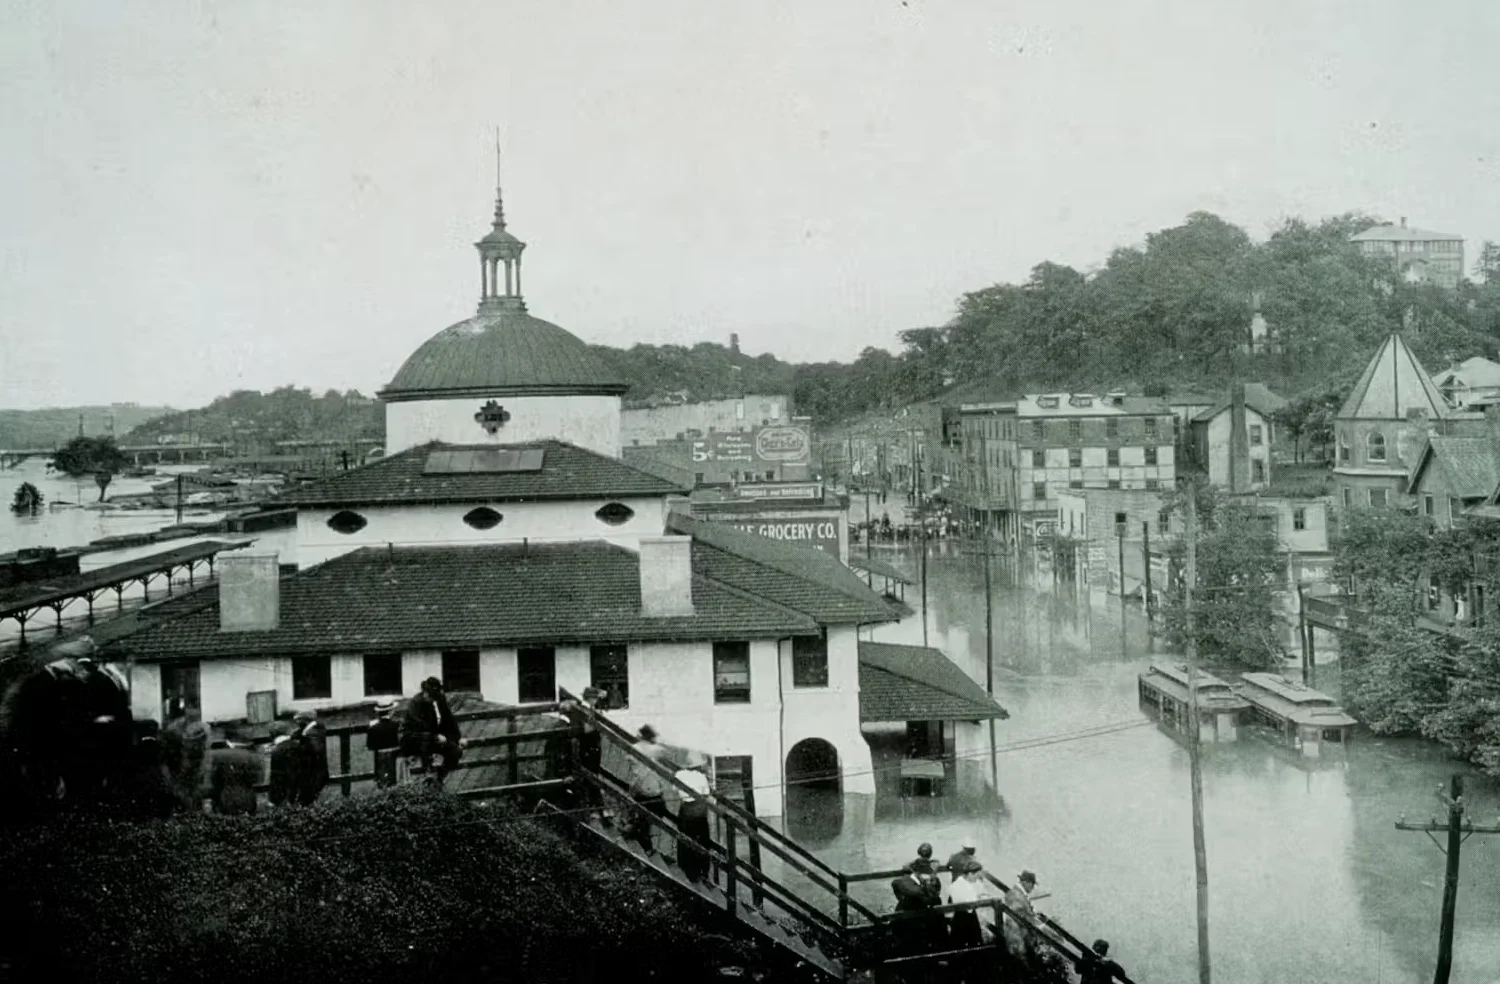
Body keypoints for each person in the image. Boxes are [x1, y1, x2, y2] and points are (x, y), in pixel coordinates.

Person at [401, 677, 466, 784]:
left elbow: (449, 719)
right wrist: (435, 736)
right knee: (425, 740)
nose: (432, 700)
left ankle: (440, 778)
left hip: (435, 737)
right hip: (416, 739)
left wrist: (458, 738)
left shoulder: (440, 699)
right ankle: (427, 772)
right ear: (425, 693)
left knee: (456, 751)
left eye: (434, 697)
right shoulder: (415, 703)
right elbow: (420, 726)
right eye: (430, 697)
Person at [627, 725, 672, 856]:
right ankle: (637, 829)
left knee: (643, 818)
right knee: (659, 811)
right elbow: (667, 753)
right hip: (653, 790)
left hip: (638, 789)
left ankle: (644, 843)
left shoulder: (634, 748)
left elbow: (629, 760)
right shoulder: (655, 749)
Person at [160, 700, 208, 813]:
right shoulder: (197, 726)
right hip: (189, 763)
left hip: (178, 764)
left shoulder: (171, 728)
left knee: (181, 791)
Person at [672, 763, 715, 884]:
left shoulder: (679, 774)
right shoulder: (701, 777)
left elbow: (674, 789)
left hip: (686, 808)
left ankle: (689, 870)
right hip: (699, 810)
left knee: (685, 837)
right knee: (702, 839)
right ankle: (703, 871)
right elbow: (706, 793)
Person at [208, 738, 262, 815]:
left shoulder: (220, 756)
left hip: (227, 797)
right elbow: (257, 778)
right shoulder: (250, 755)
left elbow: (215, 781)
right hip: (247, 796)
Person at [1002, 870, 1044, 963]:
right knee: (1021, 961)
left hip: (1020, 933)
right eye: (1032, 885)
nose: (1033, 888)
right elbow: (1019, 914)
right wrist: (1036, 922)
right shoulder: (1015, 894)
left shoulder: (1018, 893)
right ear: (1026, 882)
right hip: (1017, 935)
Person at [294, 709, 328, 805]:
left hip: (313, 773)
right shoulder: (312, 729)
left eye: (298, 720)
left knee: (306, 799)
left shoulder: (312, 733)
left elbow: (315, 749)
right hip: (314, 772)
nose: (297, 723)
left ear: (305, 721)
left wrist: (299, 748)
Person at [267, 722, 304, 807]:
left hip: (286, 792)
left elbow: (277, 777)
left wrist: (273, 799)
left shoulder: (277, 752)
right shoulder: (298, 745)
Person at [366, 700, 401, 788]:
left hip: (380, 756)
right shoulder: (397, 725)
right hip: (396, 756)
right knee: (397, 779)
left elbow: (370, 746)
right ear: (390, 711)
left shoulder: (373, 728)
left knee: (383, 780)